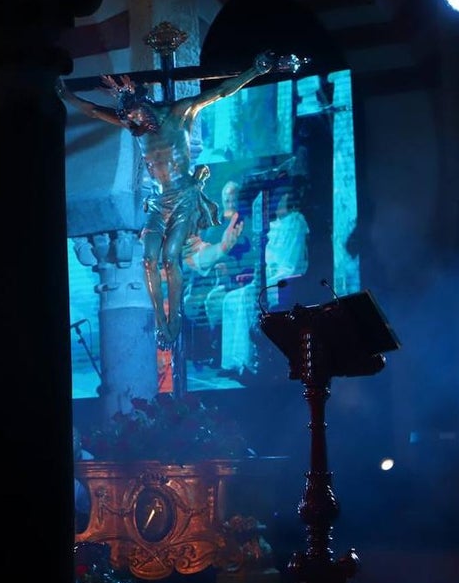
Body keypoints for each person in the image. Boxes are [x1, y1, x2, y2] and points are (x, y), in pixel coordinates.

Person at [58, 50, 307, 351]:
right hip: (159, 201)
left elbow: (221, 92)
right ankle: (161, 322)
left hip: (184, 198)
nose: (131, 125)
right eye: (128, 120)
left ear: (144, 106)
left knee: (169, 256)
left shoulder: (180, 113)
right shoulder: (133, 123)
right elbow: (94, 111)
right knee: (149, 259)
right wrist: (63, 92)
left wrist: (255, 70)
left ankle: (173, 319)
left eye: (135, 118)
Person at [218, 187, 309, 380]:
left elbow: (291, 263)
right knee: (229, 299)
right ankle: (232, 362)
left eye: (283, 197)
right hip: (268, 277)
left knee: (245, 298)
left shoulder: (296, 222)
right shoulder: (273, 226)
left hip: (283, 279)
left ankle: (247, 364)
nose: (279, 202)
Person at [182, 178, 254, 363]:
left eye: (233, 200)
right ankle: (198, 351)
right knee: (188, 301)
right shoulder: (214, 223)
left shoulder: (245, 224)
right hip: (206, 277)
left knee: (213, 301)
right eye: (226, 200)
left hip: (231, 278)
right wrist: (191, 283)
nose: (230, 204)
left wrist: (228, 268)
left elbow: (249, 257)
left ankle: (217, 350)